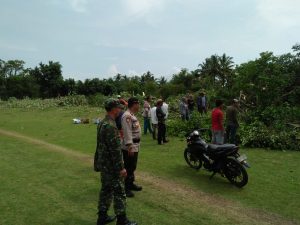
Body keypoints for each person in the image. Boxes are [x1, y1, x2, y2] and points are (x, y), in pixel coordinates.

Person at [94, 98, 137, 225]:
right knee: (119, 192)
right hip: (112, 166)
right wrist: (121, 168)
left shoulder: (102, 123)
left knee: (106, 190)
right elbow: (115, 150)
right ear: (113, 109)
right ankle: (122, 220)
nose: (120, 110)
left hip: (104, 164)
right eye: (118, 107)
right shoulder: (111, 126)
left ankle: (102, 217)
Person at [121, 97, 142, 198]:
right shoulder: (127, 116)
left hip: (135, 145)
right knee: (128, 167)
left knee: (132, 166)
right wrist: (130, 146)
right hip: (130, 146)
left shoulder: (132, 115)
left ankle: (131, 183)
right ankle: (125, 188)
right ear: (134, 104)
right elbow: (127, 132)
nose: (139, 106)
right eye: (138, 104)